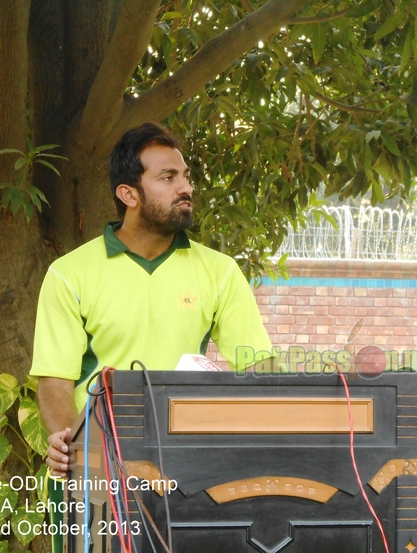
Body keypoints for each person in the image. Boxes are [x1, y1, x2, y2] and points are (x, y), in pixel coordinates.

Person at [31, 122, 273, 478]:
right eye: (168, 178)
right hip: (99, 464)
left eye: (186, 177)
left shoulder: (220, 271)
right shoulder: (69, 274)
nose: (186, 188)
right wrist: (79, 454)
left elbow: (257, 369)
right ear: (129, 195)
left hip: (187, 465)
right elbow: (54, 382)